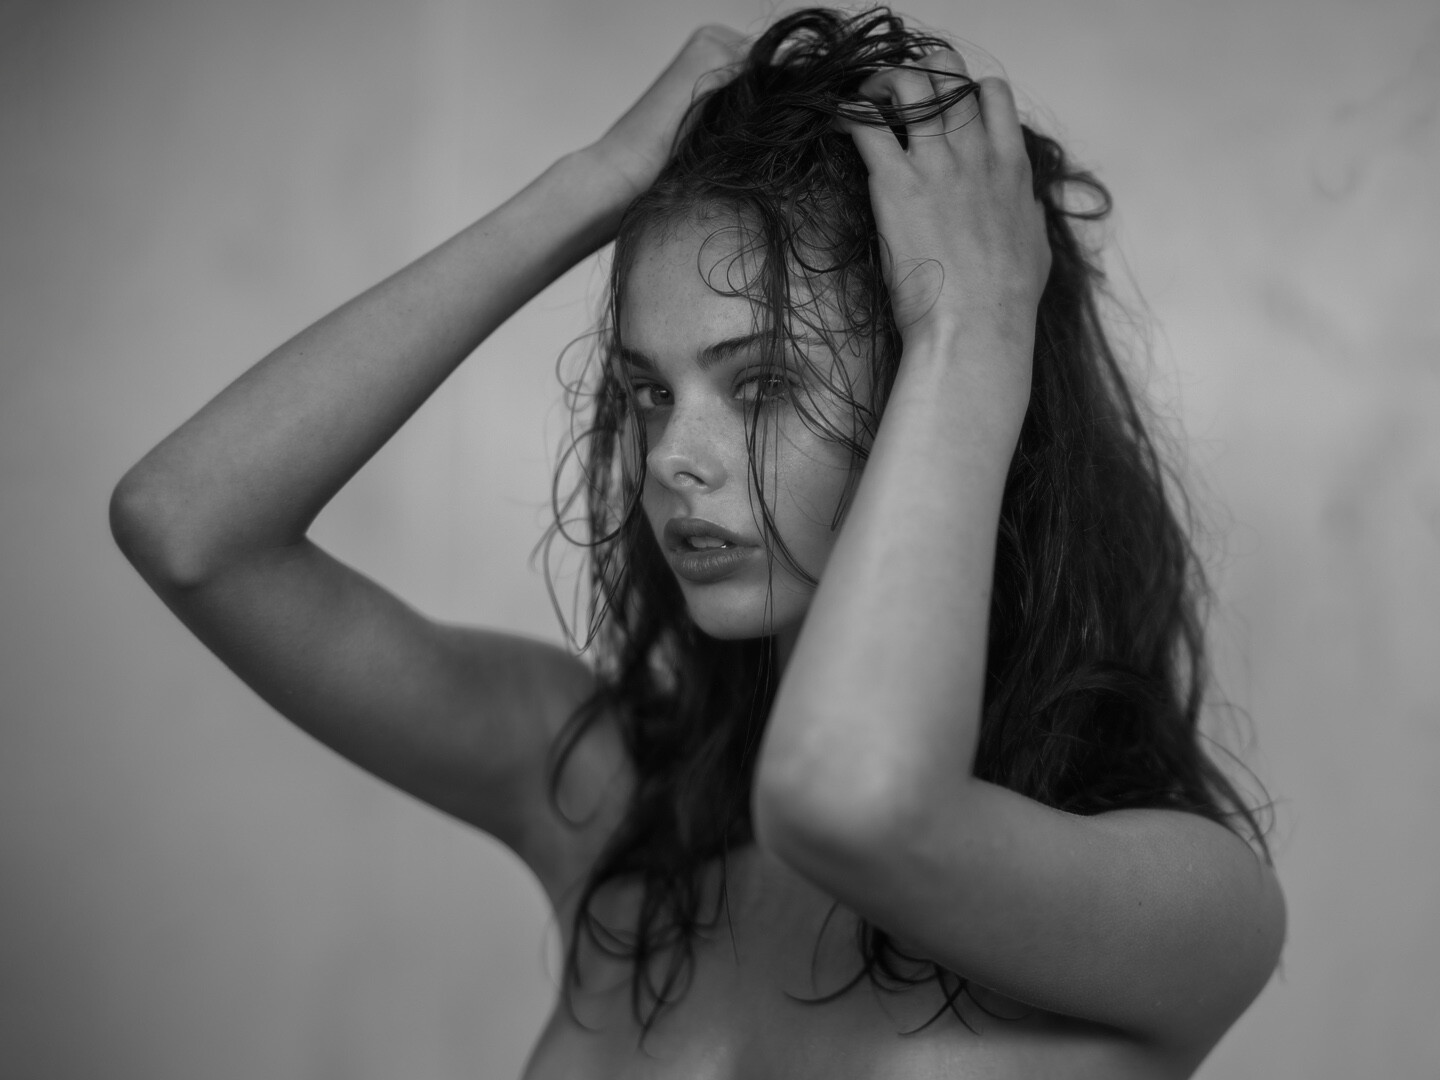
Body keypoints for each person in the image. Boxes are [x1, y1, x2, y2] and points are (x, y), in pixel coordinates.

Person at [110, 7, 1285, 1077]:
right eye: (648, 392)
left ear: (957, 397)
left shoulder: (1189, 902)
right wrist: (591, 185)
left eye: (762, 384)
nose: (673, 456)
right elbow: (190, 526)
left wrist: (974, 325)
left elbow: (854, 805)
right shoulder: (611, 799)